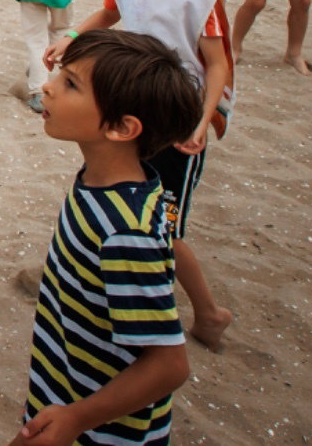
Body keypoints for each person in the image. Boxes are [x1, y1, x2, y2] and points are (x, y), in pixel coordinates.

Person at [45, 0, 236, 353]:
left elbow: (218, 66)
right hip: (131, 107)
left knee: (164, 226)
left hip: (175, 117)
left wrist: (202, 121)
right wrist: (73, 36)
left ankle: (208, 312)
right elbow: (108, 15)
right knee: (116, 197)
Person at [11, 29, 201, 446]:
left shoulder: (125, 233)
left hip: (100, 430)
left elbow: (169, 364)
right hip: (63, 389)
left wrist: (77, 418)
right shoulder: (103, 182)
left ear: (120, 127)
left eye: (70, 83)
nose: (48, 86)